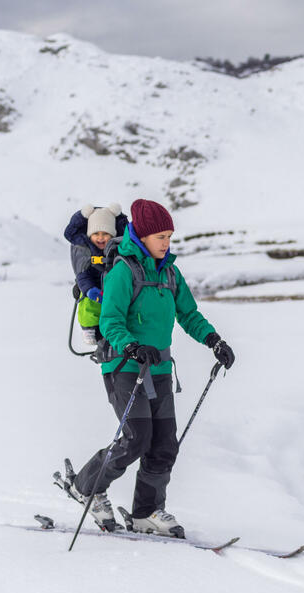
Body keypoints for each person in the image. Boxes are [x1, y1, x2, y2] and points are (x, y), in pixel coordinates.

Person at [71, 198, 236, 537]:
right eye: (161, 236)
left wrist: (214, 340)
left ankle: (146, 512)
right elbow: (111, 320)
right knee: (136, 438)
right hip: (123, 365)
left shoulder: (170, 273)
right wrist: (131, 345)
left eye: (170, 236)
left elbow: (188, 314)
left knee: (164, 445)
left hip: (158, 369)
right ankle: (86, 486)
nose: (167, 243)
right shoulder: (122, 271)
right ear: (143, 236)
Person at [64, 203, 123, 345]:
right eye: (96, 234)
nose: (100, 238)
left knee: (116, 305)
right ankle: (89, 328)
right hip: (92, 286)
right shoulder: (86, 249)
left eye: (105, 234)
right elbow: (82, 274)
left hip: (112, 287)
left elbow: (127, 230)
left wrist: (118, 216)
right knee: (88, 304)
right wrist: (89, 289)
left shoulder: (118, 247)